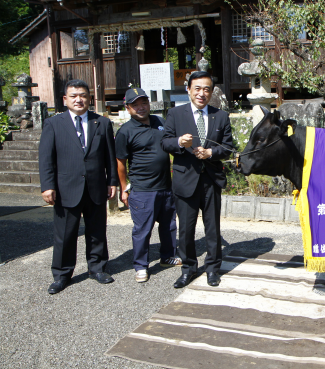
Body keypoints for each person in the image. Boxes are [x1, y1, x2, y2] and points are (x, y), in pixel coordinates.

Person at [39, 79, 118, 294]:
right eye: (73, 95)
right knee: (65, 234)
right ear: (65, 100)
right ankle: (62, 274)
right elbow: (46, 158)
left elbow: (110, 156)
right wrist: (47, 186)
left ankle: (98, 268)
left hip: (96, 186)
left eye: (82, 95)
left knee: (97, 231)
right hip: (65, 188)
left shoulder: (101, 123)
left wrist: (112, 181)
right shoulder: (54, 124)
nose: (78, 99)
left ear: (89, 98)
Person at [161, 71, 234, 288]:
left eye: (206, 89)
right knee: (186, 229)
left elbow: (228, 147)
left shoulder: (220, 116)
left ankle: (212, 269)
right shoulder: (175, 114)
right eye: (197, 88)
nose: (202, 93)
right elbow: (165, 142)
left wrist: (211, 153)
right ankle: (189, 269)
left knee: (212, 228)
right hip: (185, 180)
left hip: (211, 180)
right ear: (188, 90)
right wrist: (178, 143)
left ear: (212, 92)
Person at [115, 88, 181, 283]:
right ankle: (141, 266)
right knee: (142, 229)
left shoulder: (160, 122)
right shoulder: (125, 131)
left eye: (144, 103)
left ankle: (168, 256)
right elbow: (120, 162)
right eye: (135, 104)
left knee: (169, 225)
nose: (141, 107)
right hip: (142, 190)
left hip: (165, 187)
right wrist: (123, 187)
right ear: (128, 108)